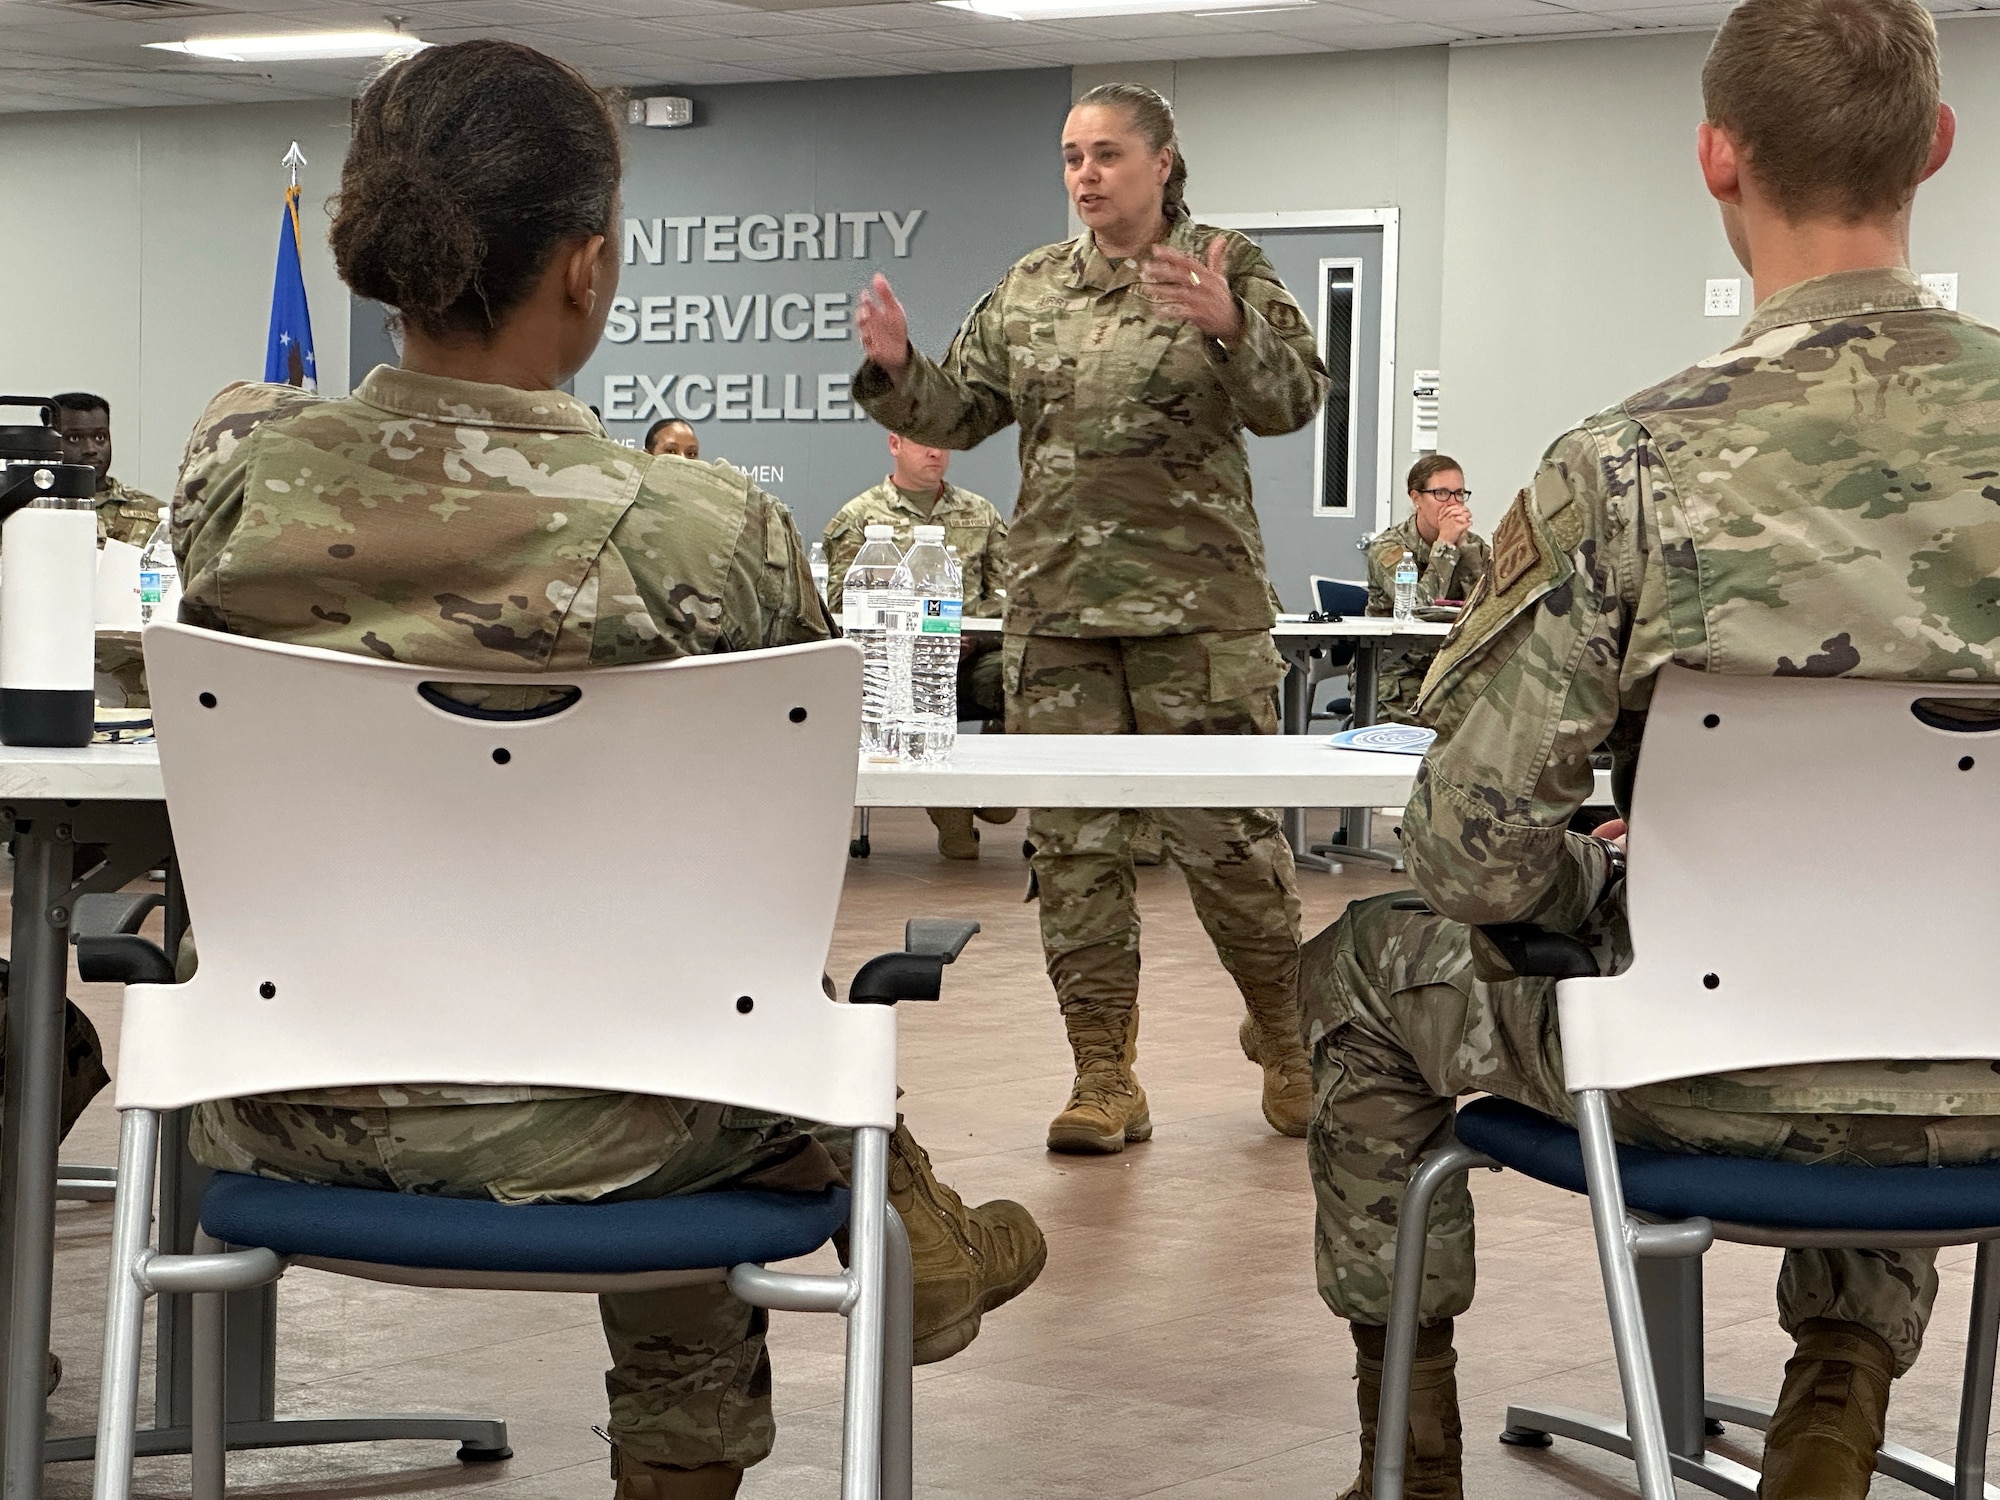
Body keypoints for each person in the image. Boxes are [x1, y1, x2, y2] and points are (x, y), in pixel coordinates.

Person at [170, 40, 1044, 1500]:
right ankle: (901, 1262)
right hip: (627, 1123)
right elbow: (793, 795)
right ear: (584, 268)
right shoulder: (709, 532)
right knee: (722, 1016)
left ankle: (926, 1238)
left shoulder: (240, 473)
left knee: (693, 1010)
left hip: (277, 1100)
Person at [1300, 4, 2000, 1497]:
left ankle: (1407, 1454)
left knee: (1362, 968)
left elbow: (1470, 851)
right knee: (1903, 971)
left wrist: (1604, 902)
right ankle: (1838, 1393)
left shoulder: (1623, 467)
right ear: (1935, 146)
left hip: (1702, 1066)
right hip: (1994, 1067)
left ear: (1713, 160)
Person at [853, 82, 1329, 1155]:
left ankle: (1287, 1037)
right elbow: (959, 412)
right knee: (1074, 850)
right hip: (1059, 610)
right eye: (1071, 156)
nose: (1084, 175)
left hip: (1196, 612)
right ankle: (1103, 1072)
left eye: (1106, 153)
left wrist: (1229, 328)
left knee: (1230, 847)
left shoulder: (1226, 265)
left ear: (1162, 163)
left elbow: (1293, 398)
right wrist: (894, 371)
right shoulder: (1030, 287)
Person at [823, 431, 1016, 858]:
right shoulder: (861, 517)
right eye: (923, 443)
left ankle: (993, 785)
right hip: (898, 665)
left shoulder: (979, 513)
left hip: (971, 657)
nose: (936, 452)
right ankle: (951, 810)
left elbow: (1007, 597)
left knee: (1019, 674)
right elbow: (841, 605)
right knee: (904, 682)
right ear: (895, 445)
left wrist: (974, 637)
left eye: (944, 444)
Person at [1363, 453, 1489, 724]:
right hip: (1397, 669)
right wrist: (1445, 545)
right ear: (1416, 498)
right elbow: (1416, 605)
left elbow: (1490, 605)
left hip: (1454, 667)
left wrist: (1464, 549)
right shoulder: (1388, 547)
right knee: (1413, 739)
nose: (1452, 503)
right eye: (1441, 493)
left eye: (1459, 494)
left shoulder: (1474, 547)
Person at [51, 391, 161, 546]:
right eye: (74, 438)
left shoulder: (155, 512)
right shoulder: (32, 509)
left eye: (100, 437)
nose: (90, 449)